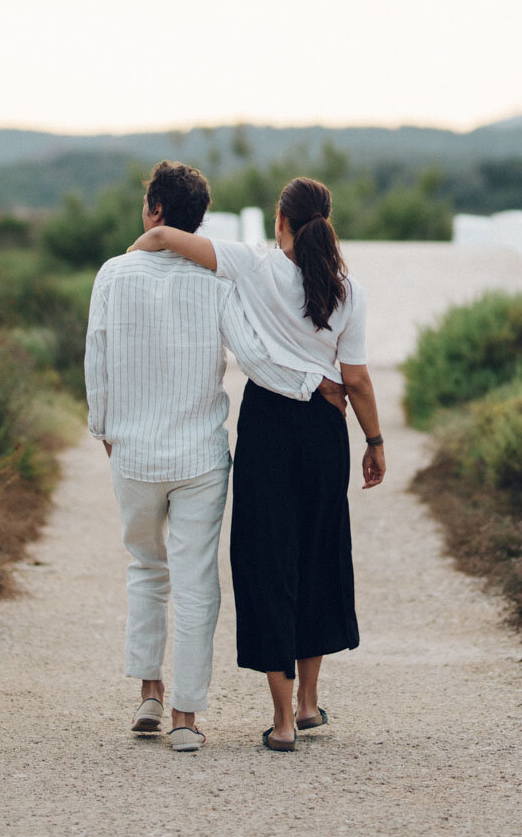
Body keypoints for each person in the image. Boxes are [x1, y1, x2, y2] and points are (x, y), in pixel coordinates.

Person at [85, 161, 346, 753]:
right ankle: (185, 718)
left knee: (145, 569)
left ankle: (148, 689)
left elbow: (94, 355)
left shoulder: (112, 274)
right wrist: (316, 384)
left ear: (154, 210)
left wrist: (103, 426)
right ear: (197, 219)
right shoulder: (217, 281)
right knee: (198, 582)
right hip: (200, 455)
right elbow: (254, 356)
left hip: (133, 451)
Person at [130, 175, 386, 752]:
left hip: (269, 427)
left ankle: (283, 722)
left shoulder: (253, 265)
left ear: (281, 221)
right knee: (316, 554)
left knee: (268, 560)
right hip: (325, 434)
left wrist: (139, 247)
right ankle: (310, 702)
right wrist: (374, 441)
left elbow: (173, 238)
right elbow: (358, 380)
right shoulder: (349, 290)